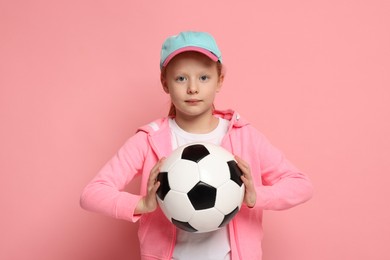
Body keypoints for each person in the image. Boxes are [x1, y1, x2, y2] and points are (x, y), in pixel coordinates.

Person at [80, 31, 313, 260]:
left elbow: (301, 185)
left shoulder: (244, 136)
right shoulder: (148, 139)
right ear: (165, 83)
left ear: (219, 80)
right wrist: (142, 203)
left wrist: (254, 197)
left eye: (203, 77)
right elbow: (92, 193)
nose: (192, 88)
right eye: (181, 78)